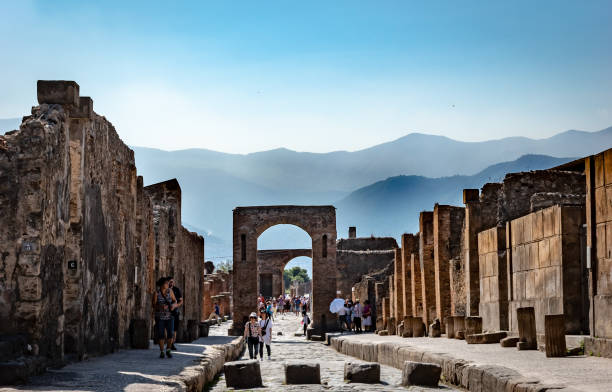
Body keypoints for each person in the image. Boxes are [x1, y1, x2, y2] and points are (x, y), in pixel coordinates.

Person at [152, 277, 178, 358]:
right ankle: (162, 351)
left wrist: (173, 306)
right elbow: (153, 305)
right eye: (166, 283)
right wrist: (160, 307)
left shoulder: (170, 291)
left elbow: (175, 300)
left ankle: (168, 350)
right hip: (160, 317)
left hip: (170, 316)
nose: (168, 284)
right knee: (161, 334)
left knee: (170, 334)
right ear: (162, 284)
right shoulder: (156, 293)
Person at [168, 277, 183, 351]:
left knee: (174, 329)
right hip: (166, 312)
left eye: (172, 282)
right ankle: (169, 343)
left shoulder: (176, 290)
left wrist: (176, 306)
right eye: (170, 282)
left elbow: (181, 300)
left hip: (175, 312)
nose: (171, 283)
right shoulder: (165, 290)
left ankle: (172, 343)